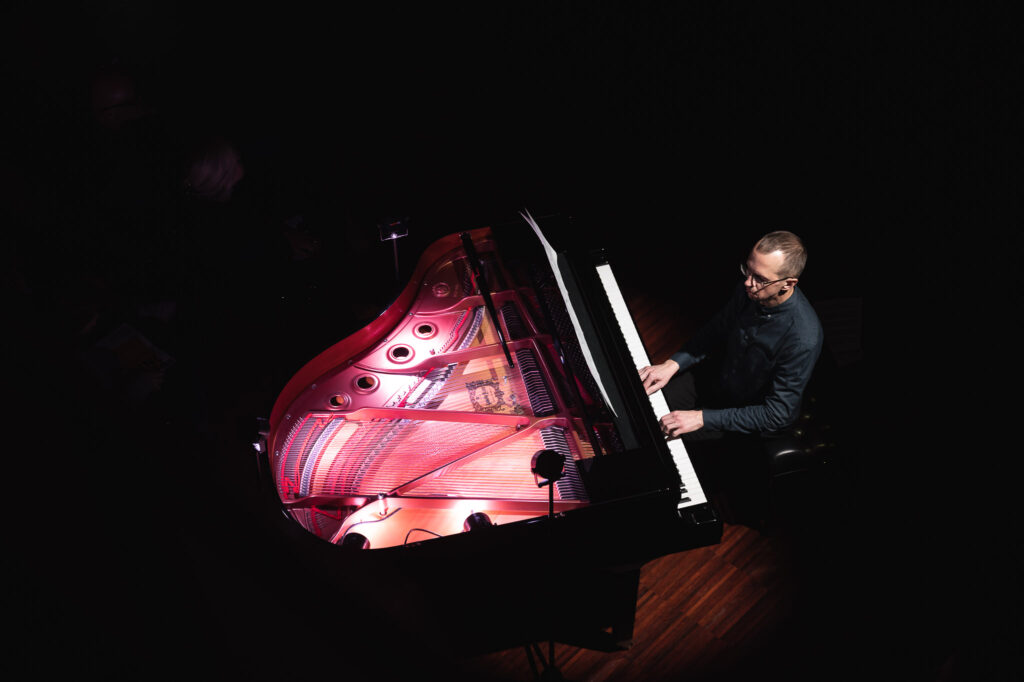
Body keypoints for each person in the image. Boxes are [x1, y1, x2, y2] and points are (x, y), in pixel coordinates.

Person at [639, 230, 824, 443]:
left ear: (788, 284)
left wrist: (702, 418)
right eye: (748, 270)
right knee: (643, 404)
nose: (748, 282)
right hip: (715, 380)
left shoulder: (802, 339)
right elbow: (715, 331)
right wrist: (672, 364)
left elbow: (776, 414)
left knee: (657, 439)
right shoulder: (751, 290)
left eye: (760, 279)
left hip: (745, 412)